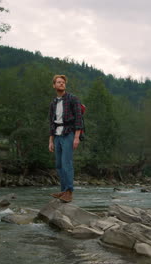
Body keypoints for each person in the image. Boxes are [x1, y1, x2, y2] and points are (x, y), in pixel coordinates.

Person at [48, 75, 83, 203]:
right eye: (59, 82)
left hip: (69, 133)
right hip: (57, 135)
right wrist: (50, 141)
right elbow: (51, 122)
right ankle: (63, 191)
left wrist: (77, 137)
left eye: (63, 82)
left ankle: (69, 191)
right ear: (54, 85)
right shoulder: (53, 103)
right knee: (59, 164)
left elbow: (79, 119)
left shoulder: (73, 99)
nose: (61, 84)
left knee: (67, 163)